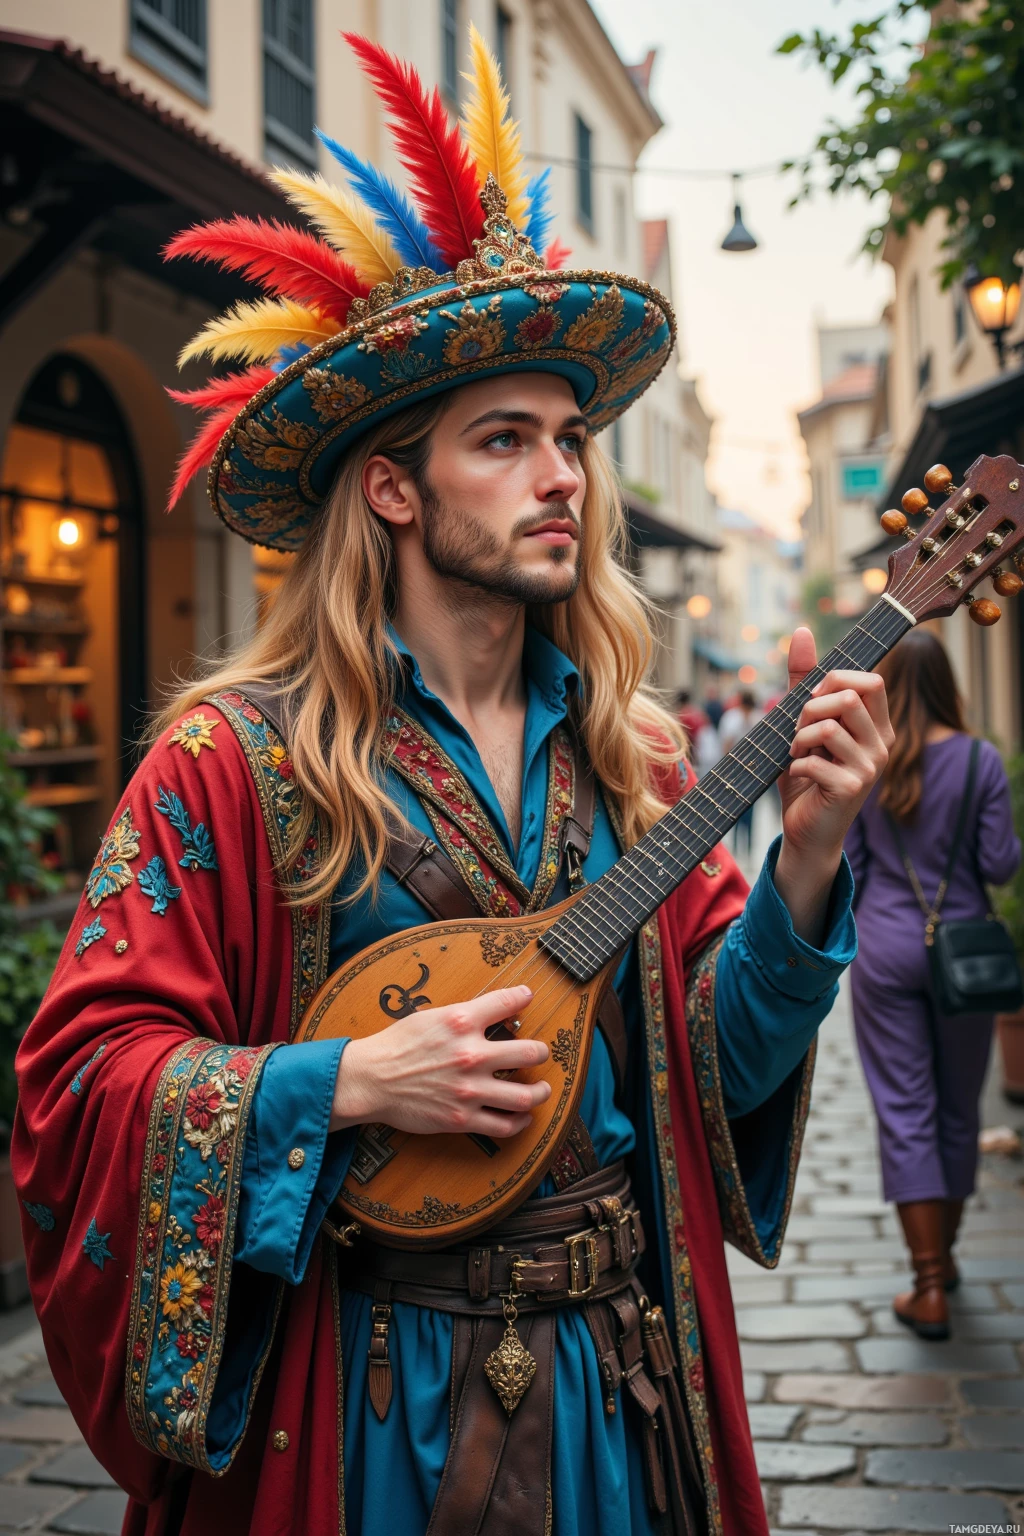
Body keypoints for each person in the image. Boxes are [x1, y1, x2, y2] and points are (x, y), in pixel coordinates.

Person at [13, 28, 893, 1536]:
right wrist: (346, 1083)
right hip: (363, 1412)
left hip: (622, 1388)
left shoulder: (638, 760)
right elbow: (79, 1082)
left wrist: (808, 863)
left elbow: (716, 1074)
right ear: (394, 488)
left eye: (571, 439)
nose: (565, 478)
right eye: (506, 440)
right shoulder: (229, 764)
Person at [845, 629, 1020, 1341]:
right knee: (957, 1108)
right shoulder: (980, 760)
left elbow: (850, 869)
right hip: (965, 955)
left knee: (905, 1110)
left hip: (885, 951)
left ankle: (925, 1286)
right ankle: (943, 1261)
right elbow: (1000, 865)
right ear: (950, 683)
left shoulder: (870, 761)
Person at [718, 691, 762, 859]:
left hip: (752, 773)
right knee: (736, 811)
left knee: (750, 812)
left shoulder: (757, 718)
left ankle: (748, 849)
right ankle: (737, 848)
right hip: (735, 771)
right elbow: (726, 744)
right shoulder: (732, 718)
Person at [675, 690, 720, 778]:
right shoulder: (695, 710)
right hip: (704, 742)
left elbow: (684, 736)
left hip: (694, 744)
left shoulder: (683, 714)